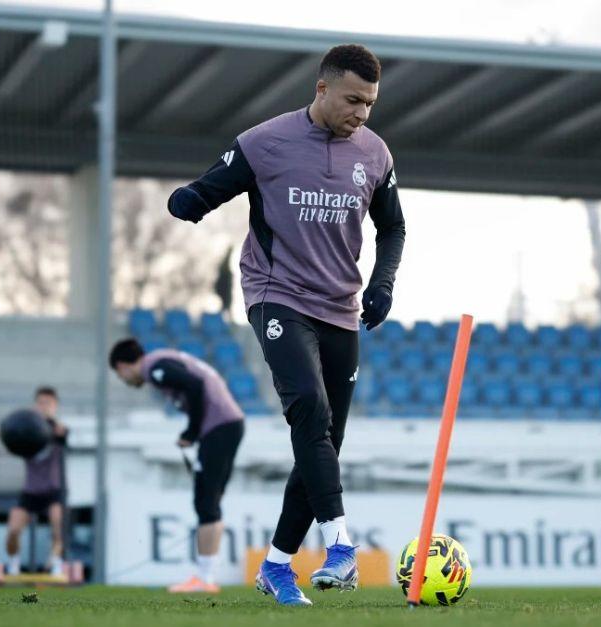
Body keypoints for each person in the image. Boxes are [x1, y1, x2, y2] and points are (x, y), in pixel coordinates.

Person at [167, 44, 405, 606]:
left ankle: (277, 565)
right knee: (310, 412)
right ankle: (341, 547)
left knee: (325, 442)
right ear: (321, 89)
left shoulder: (374, 153)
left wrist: (383, 283)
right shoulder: (264, 142)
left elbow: (392, 229)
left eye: (370, 103)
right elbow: (208, 188)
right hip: (278, 296)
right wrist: (188, 201)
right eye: (353, 99)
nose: (362, 113)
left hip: (341, 307)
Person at [109, 337, 245, 594]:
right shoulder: (162, 358)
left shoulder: (153, 368)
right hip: (229, 425)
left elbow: (195, 385)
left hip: (219, 428)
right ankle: (207, 577)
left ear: (123, 366)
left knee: (205, 503)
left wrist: (191, 432)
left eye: (120, 375)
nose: (125, 380)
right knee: (210, 502)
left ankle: (205, 580)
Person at [4, 386, 68, 576]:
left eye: (48, 403)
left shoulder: (58, 429)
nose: (44, 406)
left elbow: (62, 433)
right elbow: (5, 435)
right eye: (40, 403)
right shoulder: (27, 430)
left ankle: (56, 562)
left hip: (53, 489)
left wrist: (50, 420)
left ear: (55, 405)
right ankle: (13, 563)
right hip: (30, 490)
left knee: (58, 523)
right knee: (13, 529)